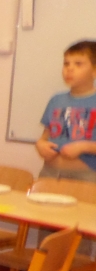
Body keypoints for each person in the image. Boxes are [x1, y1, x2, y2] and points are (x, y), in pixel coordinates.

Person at [36, 41, 96, 182]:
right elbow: (45, 136)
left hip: (86, 178)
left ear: (94, 71)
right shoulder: (56, 100)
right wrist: (40, 145)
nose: (70, 69)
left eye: (78, 64)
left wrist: (84, 146)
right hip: (50, 173)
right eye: (66, 64)